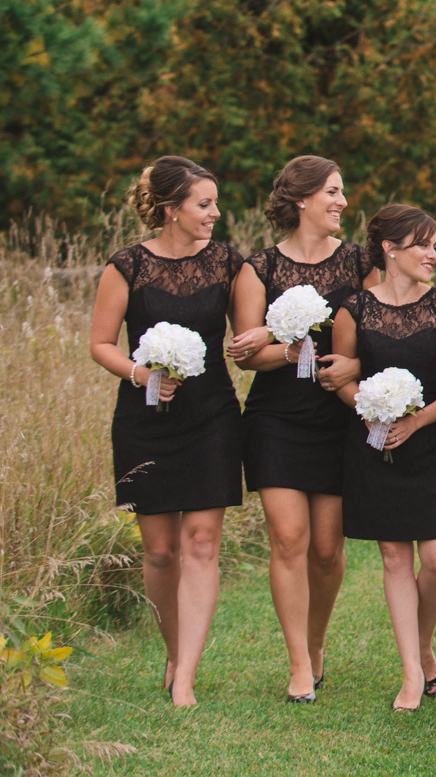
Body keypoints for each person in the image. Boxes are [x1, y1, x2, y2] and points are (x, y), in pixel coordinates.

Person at [88, 156, 249, 707]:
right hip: (145, 419)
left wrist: (252, 345)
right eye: (203, 204)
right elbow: (101, 343)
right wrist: (140, 371)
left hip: (212, 418)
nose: (214, 213)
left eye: (214, 202)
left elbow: (249, 335)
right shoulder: (126, 266)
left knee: (202, 543)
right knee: (159, 552)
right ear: (169, 209)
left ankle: (186, 677)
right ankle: (173, 652)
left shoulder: (229, 263)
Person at [231, 156, 373, 702]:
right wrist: (286, 349)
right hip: (276, 418)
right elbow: (247, 355)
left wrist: (355, 367)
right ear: (301, 201)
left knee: (326, 549)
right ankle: (296, 665)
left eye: (342, 192)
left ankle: (316, 644)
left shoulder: (361, 263)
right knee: (288, 538)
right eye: (333, 193)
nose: (342, 202)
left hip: (338, 416)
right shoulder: (258, 268)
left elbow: (381, 334)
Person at [332, 205, 436, 713]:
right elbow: (342, 376)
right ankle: (411, 671)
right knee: (394, 558)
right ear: (390, 248)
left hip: (430, 444)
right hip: (376, 447)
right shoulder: (354, 309)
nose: (433, 253)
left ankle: (423, 644)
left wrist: (417, 419)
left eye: (434, 245)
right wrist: (368, 411)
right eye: (422, 244)